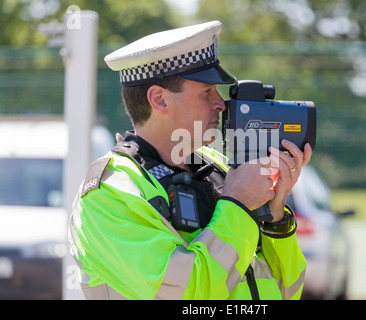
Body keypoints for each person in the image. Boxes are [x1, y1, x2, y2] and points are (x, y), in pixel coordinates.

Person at [68, 20, 312, 300]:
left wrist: (275, 216)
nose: (220, 103)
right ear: (159, 100)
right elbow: (188, 295)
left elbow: (286, 291)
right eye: (206, 91)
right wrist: (238, 204)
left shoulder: (217, 166)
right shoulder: (110, 195)